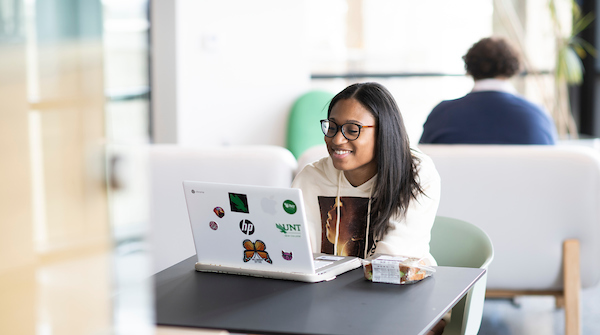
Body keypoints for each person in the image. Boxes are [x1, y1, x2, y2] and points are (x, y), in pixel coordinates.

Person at [292, 82, 445, 334]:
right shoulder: (311, 177)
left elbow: (393, 262)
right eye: (332, 126)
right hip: (324, 302)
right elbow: (296, 254)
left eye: (352, 130)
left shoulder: (414, 172)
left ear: (384, 131)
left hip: (403, 298)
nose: (336, 139)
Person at [419, 36, 558, 145]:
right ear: (513, 68)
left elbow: (422, 169)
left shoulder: (441, 115)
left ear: (469, 67)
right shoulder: (537, 116)